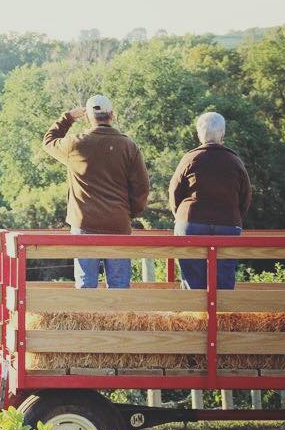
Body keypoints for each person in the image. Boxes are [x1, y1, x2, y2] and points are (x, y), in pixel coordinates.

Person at [43, 94, 150, 288]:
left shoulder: (75, 144)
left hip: (84, 223)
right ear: (112, 115)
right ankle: (119, 319)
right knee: (119, 286)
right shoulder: (128, 146)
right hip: (118, 223)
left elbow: (49, 141)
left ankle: (87, 319)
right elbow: (142, 188)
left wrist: (67, 117)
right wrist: (127, 214)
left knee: (86, 285)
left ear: (87, 117)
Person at [169, 112, 252, 290]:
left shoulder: (190, 159)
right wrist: (233, 216)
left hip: (191, 222)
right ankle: (222, 315)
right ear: (222, 133)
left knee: (192, 280)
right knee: (224, 279)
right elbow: (245, 196)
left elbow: (174, 192)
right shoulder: (234, 161)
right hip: (227, 224)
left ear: (199, 134)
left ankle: (195, 316)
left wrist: (180, 217)